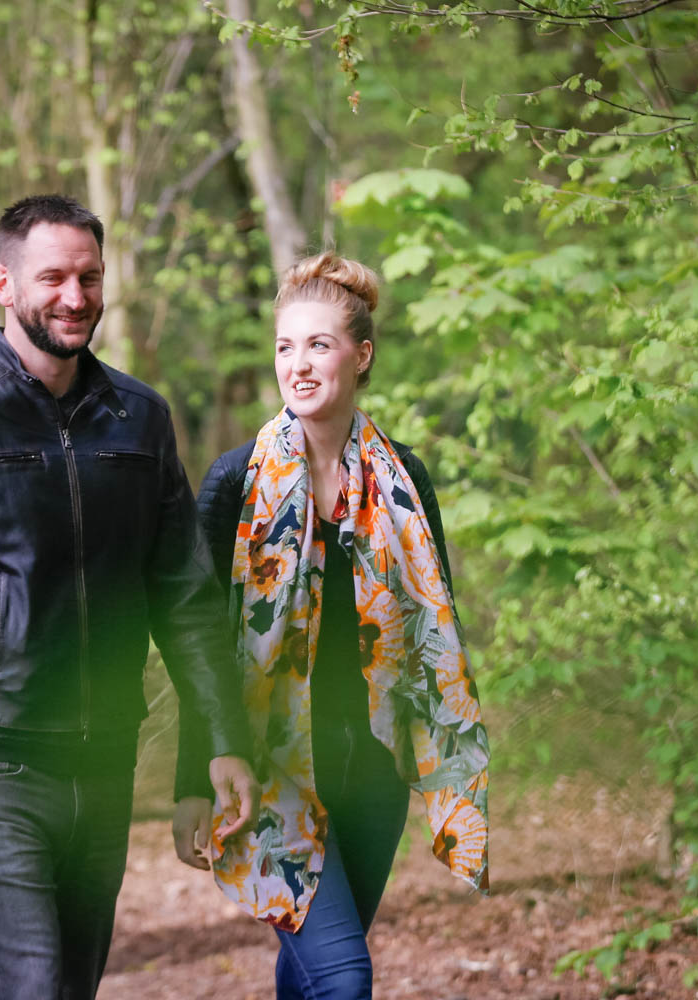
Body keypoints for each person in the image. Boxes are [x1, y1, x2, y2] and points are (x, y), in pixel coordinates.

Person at [0, 194, 259, 1000]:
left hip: (104, 757)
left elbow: (185, 598)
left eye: (90, 277)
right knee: (31, 987)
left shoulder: (139, 418)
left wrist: (221, 736)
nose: (75, 298)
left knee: (71, 986)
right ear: (3, 282)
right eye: (53, 278)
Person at [172, 251, 490, 998]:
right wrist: (195, 778)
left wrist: (440, 757)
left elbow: (436, 631)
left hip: (372, 768)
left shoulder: (405, 482)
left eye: (319, 344)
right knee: (344, 978)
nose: (299, 364)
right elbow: (203, 648)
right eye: (287, 346)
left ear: (362, 354)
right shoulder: (235, 483)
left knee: (308, 974)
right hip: (270, 769)